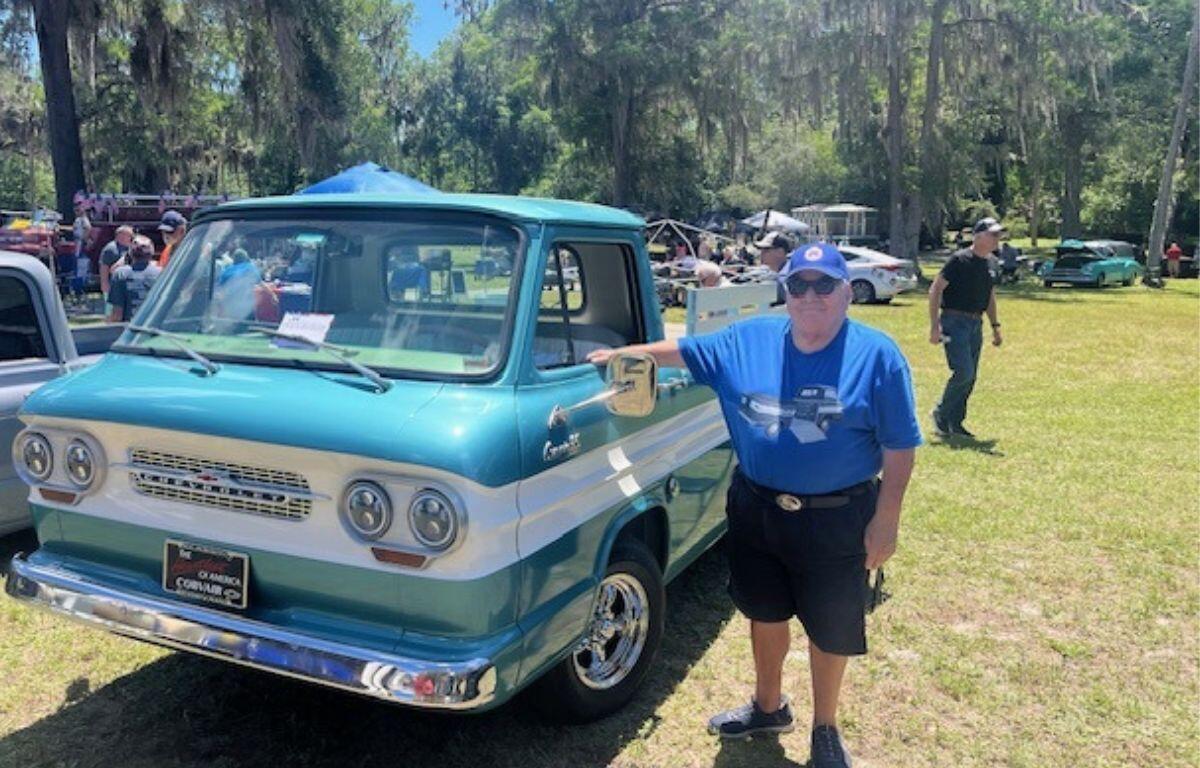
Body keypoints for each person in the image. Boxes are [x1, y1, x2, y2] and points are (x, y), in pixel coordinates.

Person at [587, 243, 920, 767]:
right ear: (785, 291)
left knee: (830, 626)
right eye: (799, 285)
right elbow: (686, 353)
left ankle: (826, 729)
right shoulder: (747, 340)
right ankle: (768, 707)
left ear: (845, 293)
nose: (811, 296)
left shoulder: (878, 357)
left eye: (824, 285)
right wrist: (627, 358)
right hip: (757, 508)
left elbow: (901, 446)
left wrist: (887, 519)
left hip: (837, 516)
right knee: (764, 612)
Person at [928, 217, 1004, 439]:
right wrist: (935, 326)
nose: (997, 239)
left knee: (971, 377)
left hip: (975, 323)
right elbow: (935, 290)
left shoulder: (991, 263)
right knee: (963, 372)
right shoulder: (959, 260)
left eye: (998, 235)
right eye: (993, 235)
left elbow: (989, 296)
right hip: (954, 321)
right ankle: (941, 413)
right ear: (978, 236)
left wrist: (995, 326)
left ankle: (955, 422)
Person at [107, 235, 162, 322]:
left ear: (130, 253)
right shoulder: (162, 273)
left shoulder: (120, 274)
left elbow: (117, 314)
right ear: (152, 252)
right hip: (154, 328)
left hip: (130, 331)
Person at [753, 231, 798, 305]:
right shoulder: (774, 272)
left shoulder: (788, 276)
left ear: (780, 252)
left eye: (766, 250)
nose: (761, 254)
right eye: (761, 250)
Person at [99, 225, 134, 312]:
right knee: (111, 310)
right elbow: (104, 267)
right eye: (129, 236)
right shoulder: (111, 249)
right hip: (112, 285)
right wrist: (104, 284)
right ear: (120, 235)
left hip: (124, 285)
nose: (131, 238)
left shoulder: (129, 247)